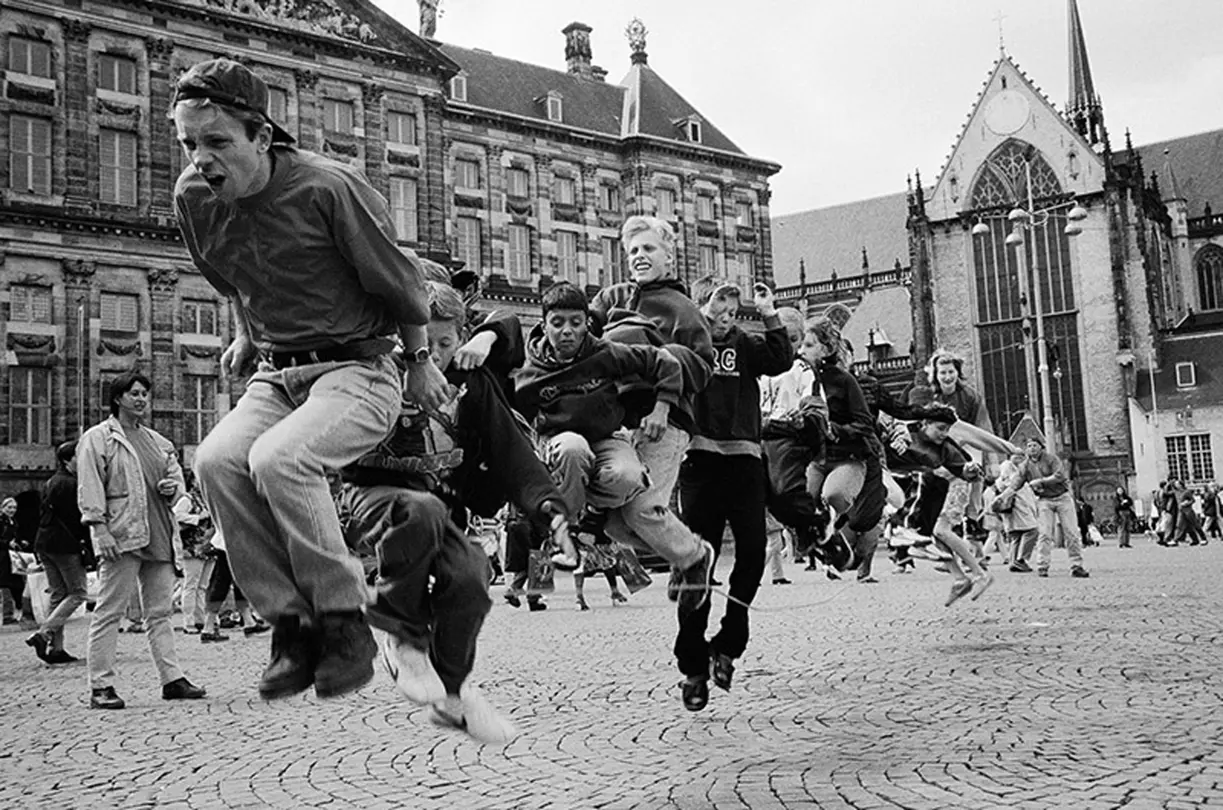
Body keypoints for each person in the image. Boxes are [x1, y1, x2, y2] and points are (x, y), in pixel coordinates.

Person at [172, 58, 449, 701]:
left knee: (279, 458)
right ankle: (292, 624)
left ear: (262, 137)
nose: (201, 160)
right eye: (190, 143)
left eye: (217, 143)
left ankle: (345, 620)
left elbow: (404, 285)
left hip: (359, 366)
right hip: (280, 373)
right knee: (215, 460)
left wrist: (419, 361)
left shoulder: (329, 188)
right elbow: (230, 274)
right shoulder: (193, 197)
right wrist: (244, 331)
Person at [339, 280, 572, 744]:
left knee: (472, 573)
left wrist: (551, 509)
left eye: (447, 343)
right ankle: (401, 634)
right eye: (426, 342)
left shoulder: (470, 382)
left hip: (439, 510)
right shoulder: (371, 368)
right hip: (366, 499)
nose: (437, 353)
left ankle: (450, 691)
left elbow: (512, 452)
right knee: (419, 510)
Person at [588, 216, 717, 613]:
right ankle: (685, 554)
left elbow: (702, 365)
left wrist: (663, 392)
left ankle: (694, 557)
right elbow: (583, 329)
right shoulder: (614, 298)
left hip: (666, 421)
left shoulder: (683, 309)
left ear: (668, 256)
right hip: (621, 420)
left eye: (648, 249)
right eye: (632, 251)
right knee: (614, 521)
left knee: (642, 508)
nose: (639, 257)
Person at [675, 277, 792, 711]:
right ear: (701, 308)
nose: (725, 317)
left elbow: (781, 358)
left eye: (731, 310)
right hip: (701, 460)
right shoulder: (690, 341)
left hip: (745, 459)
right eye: (717, 308)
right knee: (696, 565)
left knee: (752, 553)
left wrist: (768, 311)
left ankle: (728, 641)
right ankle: (693, 669)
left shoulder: (745, 345)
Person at [77, 371, 206, 709]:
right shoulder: (99, 438)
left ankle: (172, 679)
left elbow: (178, 485)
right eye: (134, 393)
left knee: (160, 612)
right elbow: (90, 485)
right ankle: (100, 686)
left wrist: (172, 489)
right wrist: (98, 528)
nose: (141, 399)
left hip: (159, 534)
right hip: (121, 535)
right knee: (109, 611)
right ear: (118, 398)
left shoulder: (158, 442)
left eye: (145, 394)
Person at [26, 441, 90, 664]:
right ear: (67, 460)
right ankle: (44, 633)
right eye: (77, 457)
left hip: (44, 542)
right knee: (78, 592)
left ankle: (56, 649)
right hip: (65, 545)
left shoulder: (52, 480)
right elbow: (79, 518)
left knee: (58, 593)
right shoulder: (72, 484)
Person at [1000, 437, 1089, 579]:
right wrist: (1003, 496)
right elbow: (1016, 483)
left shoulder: (1051, 459)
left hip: (1063, 497)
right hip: (1044, 500)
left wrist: (1040, 481)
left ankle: (1076, 565)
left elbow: (1060, 475)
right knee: (1045, 533)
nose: (1032, 448)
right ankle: (1042, 565)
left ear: (1041, 447)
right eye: (1029, 446)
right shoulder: (1025, 465)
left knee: (1071, 532)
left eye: (1035, 445)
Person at [993, 451, 1038, 571]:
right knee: (1032, 530)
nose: (1019, 457)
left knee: (1016, 536)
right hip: (1017, 507)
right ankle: (1021, 559)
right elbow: (1010, 484)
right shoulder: (1008, 469)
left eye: (1021, 455)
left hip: (1014, 508)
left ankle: (1014, 562)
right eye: (1015, 455)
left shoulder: (1020, 470)